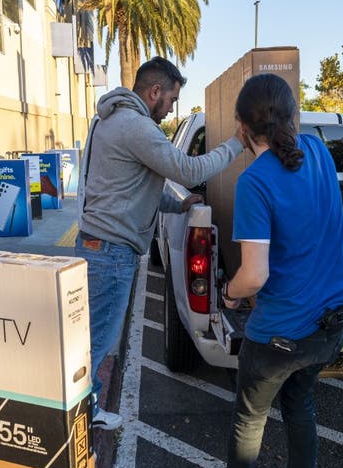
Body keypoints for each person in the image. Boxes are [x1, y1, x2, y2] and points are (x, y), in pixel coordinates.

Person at [76, 57, 244, 430]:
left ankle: (85, 406)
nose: (170, 109)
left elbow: (136, 189)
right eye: (170, 99)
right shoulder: (136, 126)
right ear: (155, 92)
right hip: (111, 251)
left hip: (98, 245)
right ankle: (85, 415)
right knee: (99, 338)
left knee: (92, 334)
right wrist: (237, 143)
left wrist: (180, 203)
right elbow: (188, 170)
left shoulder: (111, 120)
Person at [217, 74, 343, 468]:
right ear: (294, 116)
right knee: (301, 404)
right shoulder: (319, 152)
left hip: (280, 333)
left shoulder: (254, 182)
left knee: (250, 417)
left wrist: (229, 294)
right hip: (329, 324)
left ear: (241, 127)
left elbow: (254, 276)